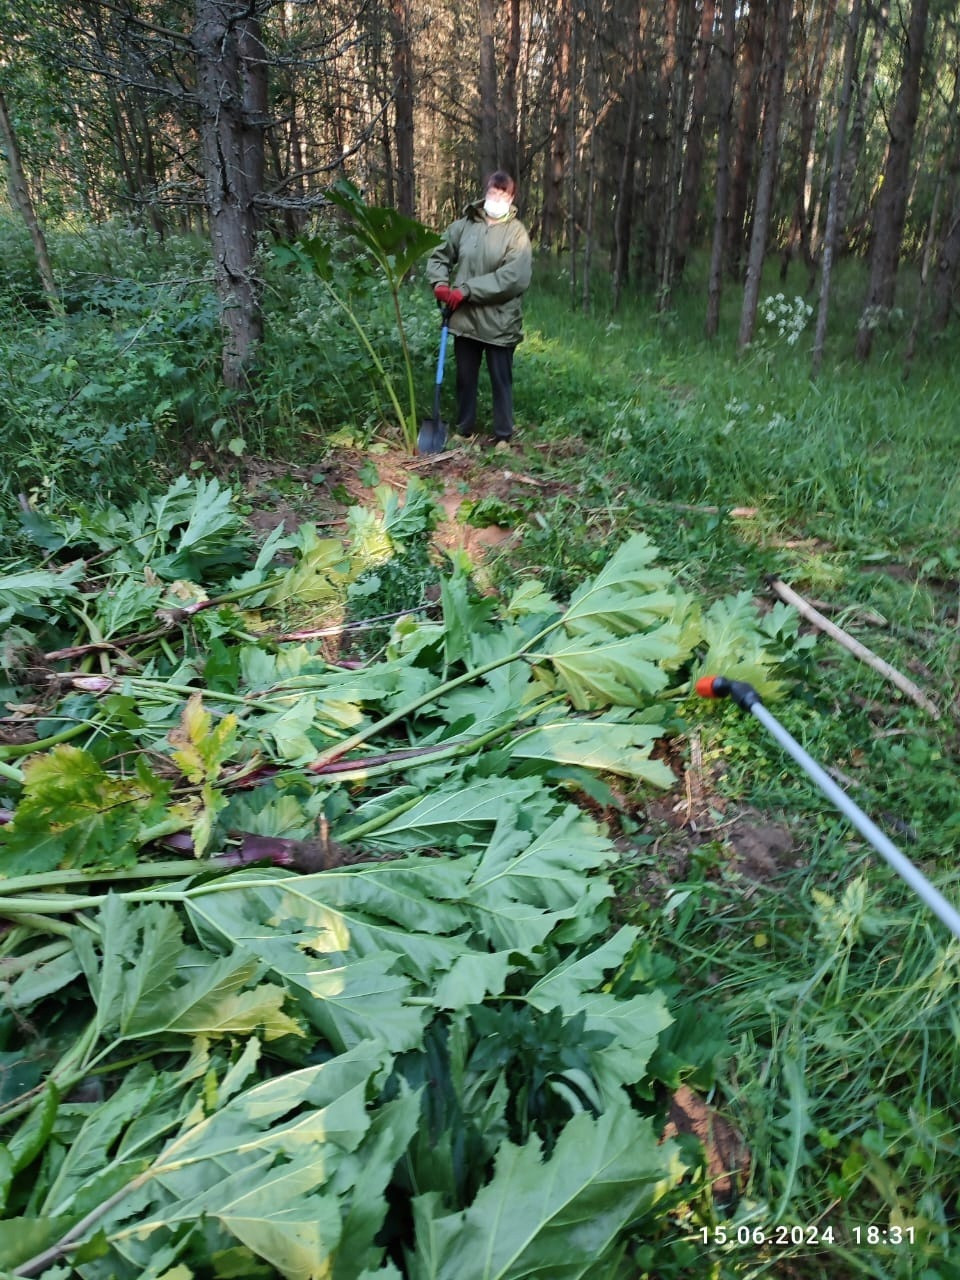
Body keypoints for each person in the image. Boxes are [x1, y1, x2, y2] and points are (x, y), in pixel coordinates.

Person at [426, 171, 532, 446]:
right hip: (465, 320)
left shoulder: (516, 233)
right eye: (492, 192)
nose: (496, 198)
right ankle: (464, 429)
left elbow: (513, 278)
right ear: (485, 192)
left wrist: (468, 290)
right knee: (465, 377)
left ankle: (503, 436)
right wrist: (439, 282)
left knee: (501, 379)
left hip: (499, 322)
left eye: (502, 194)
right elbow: (439, 254)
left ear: (511, 198)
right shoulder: (464, 226)